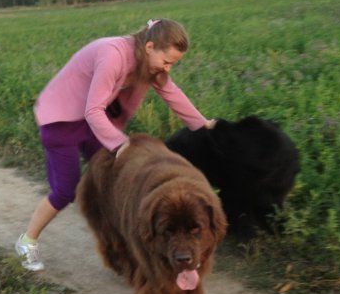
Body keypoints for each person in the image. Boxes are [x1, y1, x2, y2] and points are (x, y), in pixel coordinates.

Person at [15, 18, 216, 271]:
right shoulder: (113, 55)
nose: (167, 68)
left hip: (91, 122)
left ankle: (118, 245)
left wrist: (203, 125)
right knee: (65, 190)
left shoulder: (149, 66)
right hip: (62, 120)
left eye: (172, 64)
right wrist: (120, 144)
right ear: (150, 46)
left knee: (113, 176)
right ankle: (27, 241)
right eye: (166, 61)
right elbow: (94, 109)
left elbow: (171, 93)